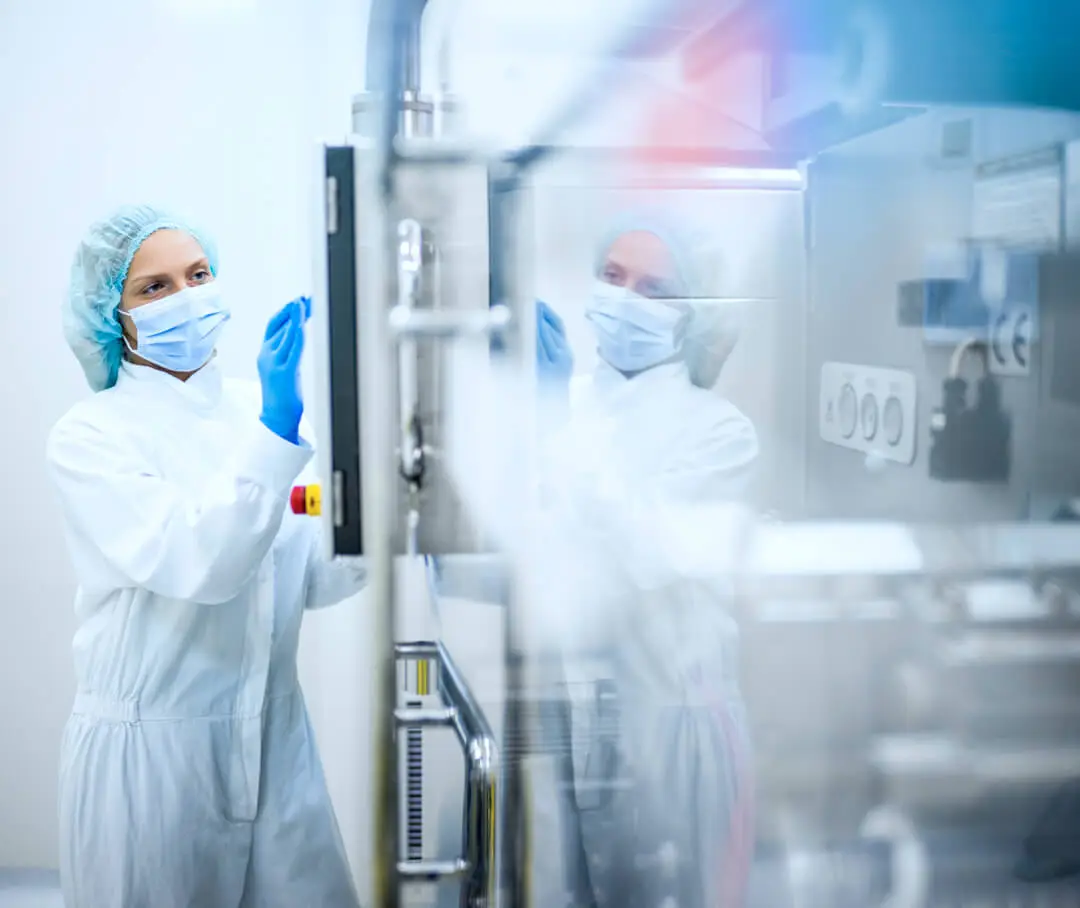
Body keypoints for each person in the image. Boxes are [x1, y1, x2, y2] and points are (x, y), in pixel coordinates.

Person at [46, 205, 366, 908]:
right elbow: (204, 564)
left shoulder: (265, 413)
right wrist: (278, 432)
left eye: (198, 274)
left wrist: (375, 509)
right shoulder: (92, 436)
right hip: (153, 766)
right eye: (155, 288)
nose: (187, 298)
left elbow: (310, 579)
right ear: (114, 315)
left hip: (277, 746)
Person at [534, 211, 757, 908]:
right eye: (612, 277)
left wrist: (551, 430)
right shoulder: (561, 408)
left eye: (654, 289)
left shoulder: (720, 432)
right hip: (562, 726)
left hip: (675, 732)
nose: (626, 300)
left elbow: (639, 549)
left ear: (693, 315)